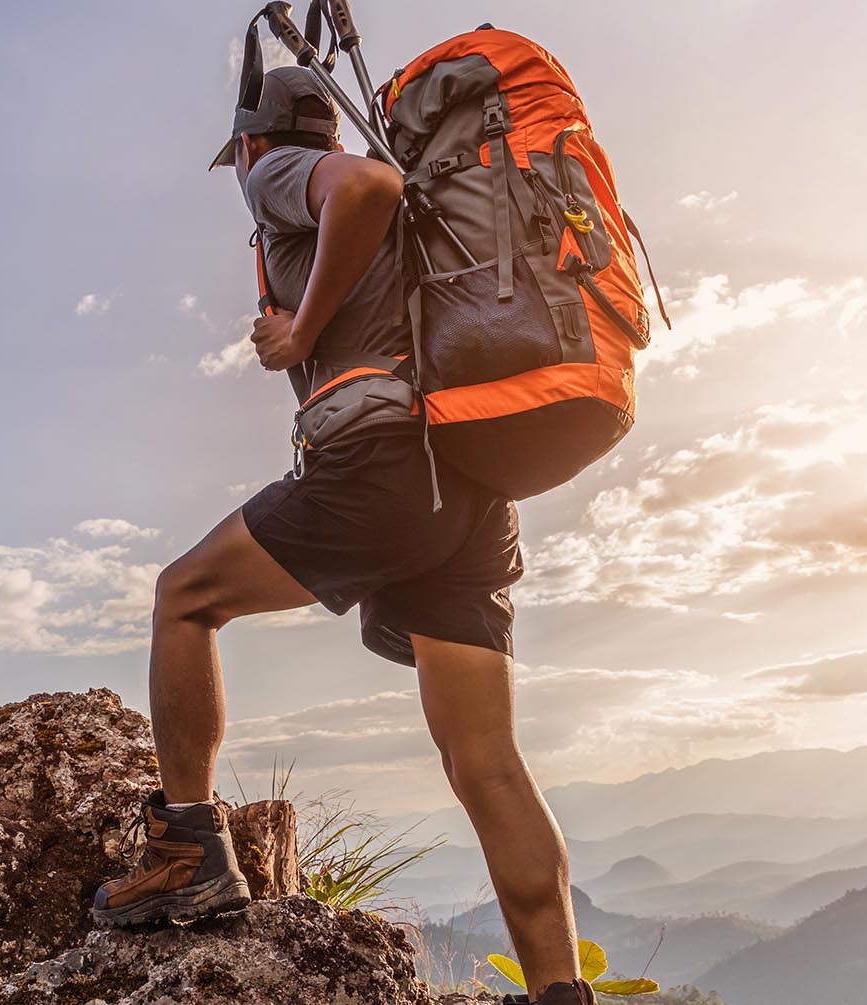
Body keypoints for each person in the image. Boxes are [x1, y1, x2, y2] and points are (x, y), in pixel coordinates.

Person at [91, 66, 595, 1004]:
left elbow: (367, 184)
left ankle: (189, 848)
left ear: (251, 142)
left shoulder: (284, 168)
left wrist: (299, 333)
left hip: (378, 466)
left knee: (184, 596)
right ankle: (560, 991)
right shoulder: (424, 214)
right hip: (467, 484)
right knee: (486, 761)